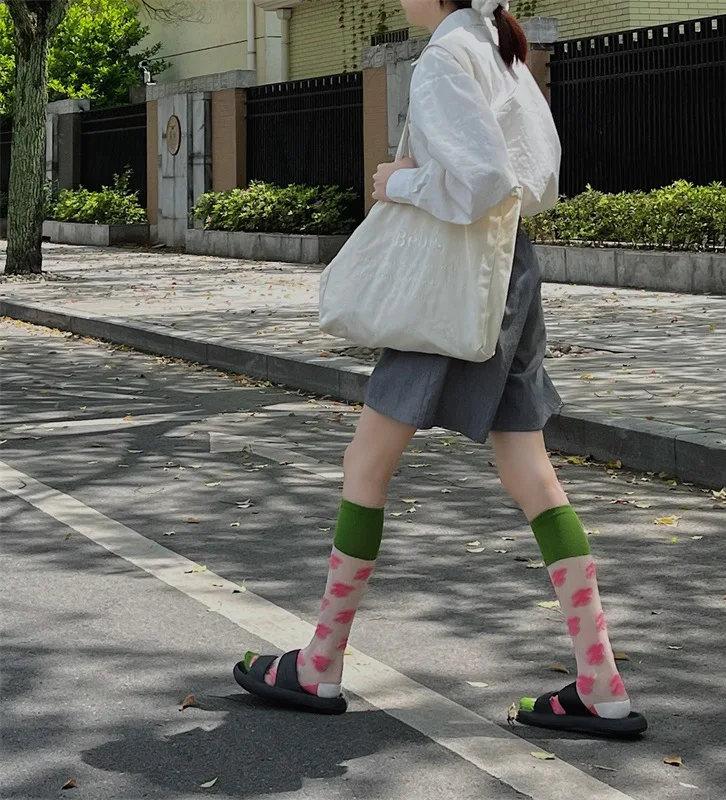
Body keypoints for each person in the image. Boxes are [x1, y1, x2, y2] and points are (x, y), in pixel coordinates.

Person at [234, 0, 647, 739]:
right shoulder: (500, 51)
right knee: (530, 471)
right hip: (511, 271)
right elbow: (534, 183)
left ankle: (318, 665)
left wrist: (397, 182)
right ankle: (601, 684)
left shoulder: (445, 58)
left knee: (366, 465)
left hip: (451, 281)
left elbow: (482, 181)